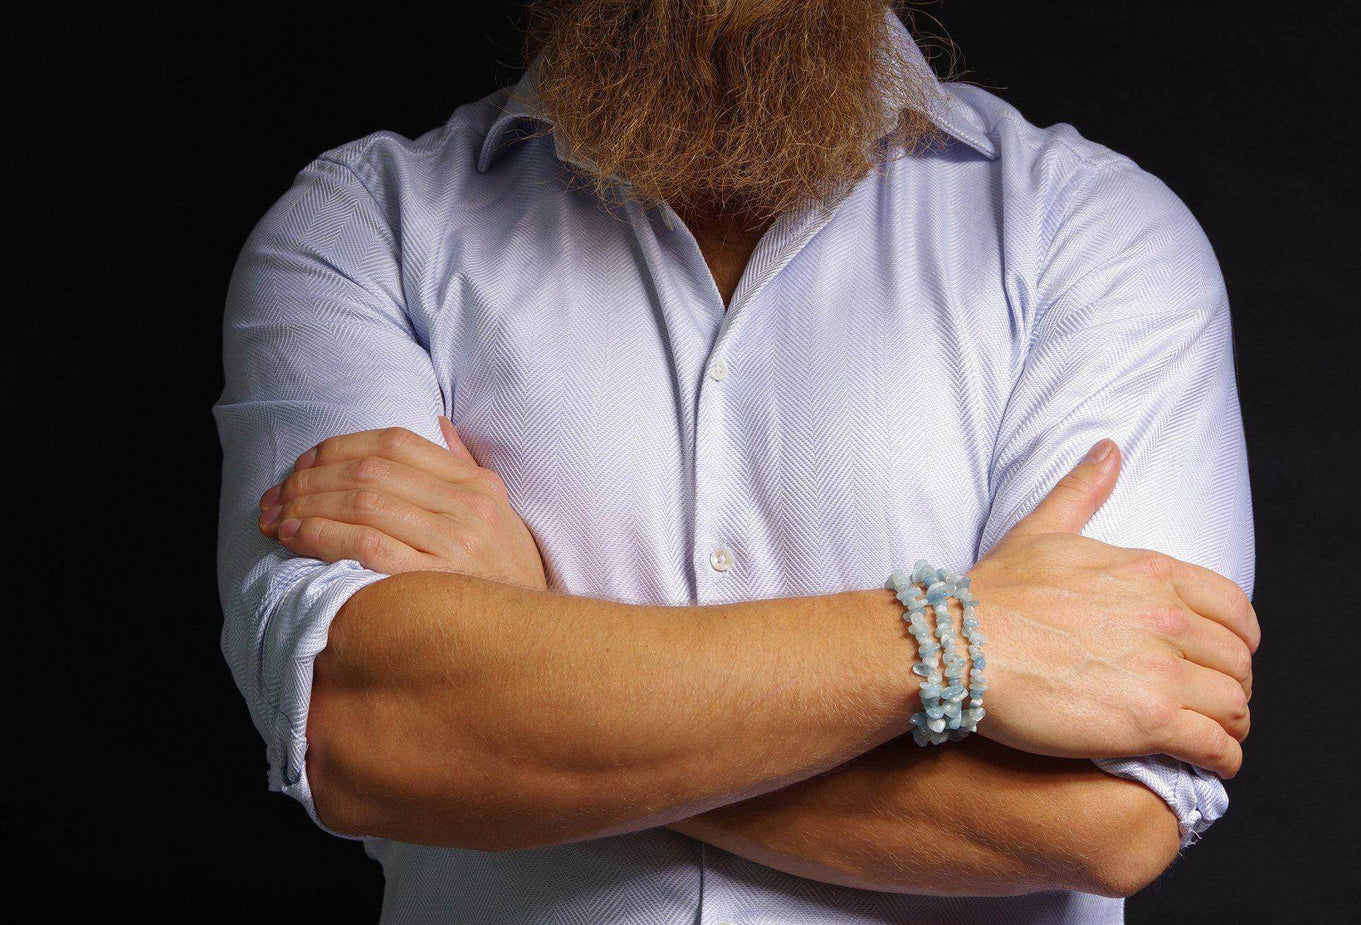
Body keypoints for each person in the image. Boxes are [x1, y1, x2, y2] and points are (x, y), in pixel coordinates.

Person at [213, 2, 1258, 921]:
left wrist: (536, 686)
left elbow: (1106, 821)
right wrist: (955, 638)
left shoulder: (1089, 233)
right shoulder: (364, 227)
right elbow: (369, 730)